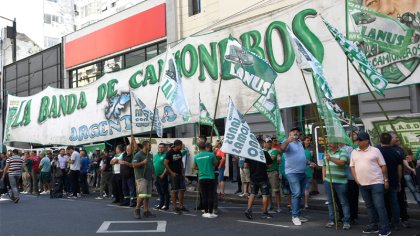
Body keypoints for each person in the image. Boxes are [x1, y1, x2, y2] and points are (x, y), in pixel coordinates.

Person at [350, 132, 391, 236]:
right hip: (362, 184)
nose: (357, 142)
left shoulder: (375, 150)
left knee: (379, 206)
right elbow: (352, 166)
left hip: (376, 182)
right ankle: (373, 226)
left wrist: (385, 180)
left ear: (366, 141)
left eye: (359, 140)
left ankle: (385, 228)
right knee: (369, 206)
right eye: (357, 140)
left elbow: (383, 165)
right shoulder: (354, 152)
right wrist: (356, 179)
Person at [280, 127, 308, 226]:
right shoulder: (288, 142)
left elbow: (301, 155)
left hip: (302, 172)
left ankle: (298, 215)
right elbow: (282, 149)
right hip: (292, 173)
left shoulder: (300, 142)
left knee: (299, 194)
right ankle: (295, 216)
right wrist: (288, 141)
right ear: (290, 134)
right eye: (293, 131)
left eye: (297, 131)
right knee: (296, 193)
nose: (296, 132)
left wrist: (309, 162)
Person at [323, 142, 351, 230]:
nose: (329, 144)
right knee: (330, 202)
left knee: (343, 202)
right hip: (328, 181)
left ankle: (346, 221)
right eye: (328, 142)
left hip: (341, 181)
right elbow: (324, 166)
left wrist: (330, 158)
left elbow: (342, 163)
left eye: (331, 142)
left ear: (336, 143)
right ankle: (332, 220)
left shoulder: (342, 151)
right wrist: (324, 178)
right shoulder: (326, 153)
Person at [377, 132, 402, 231]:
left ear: (380, 140)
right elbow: (399, 168)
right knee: (394, 203)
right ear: (390, 140)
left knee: (381, 203)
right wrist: (399, 181)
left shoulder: (377, 151)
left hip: (380, 181)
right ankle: (396, 223)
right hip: (394, 180)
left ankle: (384, 222)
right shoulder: (396, 152)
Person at [244, 138, 273, 220]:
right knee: (265, 195)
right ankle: (264, 212)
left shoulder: (249, 154)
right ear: (261, 144)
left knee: (253, 193)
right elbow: (270, 165)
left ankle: (248, 209)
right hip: (263, 177)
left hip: (253, 177)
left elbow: (245, 166)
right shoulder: (264, 153)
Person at [193, 141, 218, 218]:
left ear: (198, 148)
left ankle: (206, 212)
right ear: (205, 147)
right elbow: (216, 164)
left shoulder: (196, 156)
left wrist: (200, 168)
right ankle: (211, 212)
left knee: (204, 195)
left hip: (202, 177)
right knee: (210, 195)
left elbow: (194, 167)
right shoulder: (211, 154)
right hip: (211, 177)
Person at [165, 139, 188, 214]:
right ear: (177, 145)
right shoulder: (169, 153)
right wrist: (171, 172)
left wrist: (183, 172)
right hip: (173, 174)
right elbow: (165, 163)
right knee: (174, 191)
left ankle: (181, 206)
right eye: (181, 145)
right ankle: (175, 207)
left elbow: (180, 162)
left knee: (182, 189)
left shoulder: (179, 152)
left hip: (180, 174)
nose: (182, 147)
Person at [132, 140, 155, 219]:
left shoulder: (150, 155)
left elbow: (151, 165)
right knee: (142, 194)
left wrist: (154, 174)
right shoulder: (138, 155)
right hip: (141, 177)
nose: (151, 147)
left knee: (147, 196)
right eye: (150, 145)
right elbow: (134, 165)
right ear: (145, 146)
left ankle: (146, 211)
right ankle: (137, 209)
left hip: (149, 177)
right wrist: (142, 163)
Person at [264, 138, 281, 213]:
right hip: (265, 172)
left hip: (273, 172)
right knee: (268, 191)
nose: (269, 144)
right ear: (264, 143)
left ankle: (278, 207)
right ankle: (270, 206)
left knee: (276, 190)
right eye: (268, 142)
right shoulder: (262, 151)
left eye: (270, 142)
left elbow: (271, 159)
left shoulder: (274, 150)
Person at [118, 140, 137, 207]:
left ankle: (133, 202)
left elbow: (133, 165)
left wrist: (126, 163)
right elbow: (118, 160)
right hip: (123, 175)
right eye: (127, 149)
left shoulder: (133, 155)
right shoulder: (123, 154)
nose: (127, 150)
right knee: (125, 189)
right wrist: (119, 161)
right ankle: (126, 201)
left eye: (129, 149)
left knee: (131, 189)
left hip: (130, 175)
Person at [153, 143, 170, 210]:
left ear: (165, 148)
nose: (160, 148)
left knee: (165, 191)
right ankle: (161, 204)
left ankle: (166, 205)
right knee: (159, 191)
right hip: (156, 176)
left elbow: (167, 166)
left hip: (163, 175)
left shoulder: (166, 155)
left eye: (162, 147)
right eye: (159, 147)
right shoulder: (156, 155)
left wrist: (163, 174)